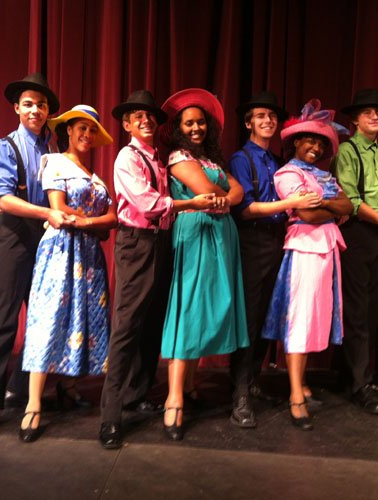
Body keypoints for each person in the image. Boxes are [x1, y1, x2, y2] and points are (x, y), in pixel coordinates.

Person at [98, 90, 217, 449]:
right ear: (127, 123)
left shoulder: (158, 157)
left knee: (152, 322)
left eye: (150, 116)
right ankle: (111, 414)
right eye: (138, 116)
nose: (146, 121)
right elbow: (148, 203)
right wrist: (190, 203)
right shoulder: (126, 157)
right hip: (137, 243)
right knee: (127, 324)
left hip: (162, 243)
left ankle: (137, 392)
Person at [0, 73, 71, 442]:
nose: (35, 110)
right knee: (3, 322)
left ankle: (29, 394)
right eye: (28, 103)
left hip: (48, 237)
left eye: (41, 105)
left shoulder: (55, 150)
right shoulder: (4, 147)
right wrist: (46, 215)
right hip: (15, 235)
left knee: (46, 320)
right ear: (16, 108)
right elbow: (5, 200)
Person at [19, 104, 116, 442]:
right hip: (61, 249)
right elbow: (58, 209)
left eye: (91, 130)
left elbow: (112, 222)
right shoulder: (55, 162)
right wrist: (94, 221)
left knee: (83, 319)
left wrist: (90, 222)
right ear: (69, 131)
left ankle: (69, 385)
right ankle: (33, 403)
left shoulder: (97, 177)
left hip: (89, 254)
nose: (86, 135)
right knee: (49, 318)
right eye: (81, 129)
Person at [159, 88, 249, 441]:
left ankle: (191, 386)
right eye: (189, 123)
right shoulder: (178, 157)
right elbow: (205, 190)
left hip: (222, 235)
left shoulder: (213, 159)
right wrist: (223, 195)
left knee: (207, 309)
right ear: (180, 128)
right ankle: (174, 400)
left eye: (200, 123)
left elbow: (236, 193)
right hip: (195, 234)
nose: (196, 128)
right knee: (189, 309)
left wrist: (223, 196)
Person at [262, 99, 353, 431]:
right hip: (304, 250)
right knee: (299, 321)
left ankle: (301, 384)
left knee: (316, 319)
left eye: (320, 142)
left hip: (327, 251)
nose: (314, 146)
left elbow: (348, 206)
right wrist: (331, 207)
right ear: (295, 142)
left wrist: (327, 205)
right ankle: (295, 394)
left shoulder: (324, 176)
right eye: (309, 140)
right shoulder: (287, 173)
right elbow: (308, 213)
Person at [228, 91, 304, 429]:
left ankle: (254, 379)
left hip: (278, 242)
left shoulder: (277, 162)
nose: (268, 121)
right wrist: (290, 205)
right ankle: (239, 394)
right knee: (250, 316)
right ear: (248, 122)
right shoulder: (242, 159)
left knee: (270, 315)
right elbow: (246, 210)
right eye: (261, 115)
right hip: (253, 242)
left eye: (272, 116)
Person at [332, 89, 378, 415]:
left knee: (374, 308)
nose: (375, 116)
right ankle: (358, 385)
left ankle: (362, 375)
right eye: (367, 112)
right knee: (358, 311)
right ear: (355, 119)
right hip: (357, 233)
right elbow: (353, 202)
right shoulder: (347, 151)